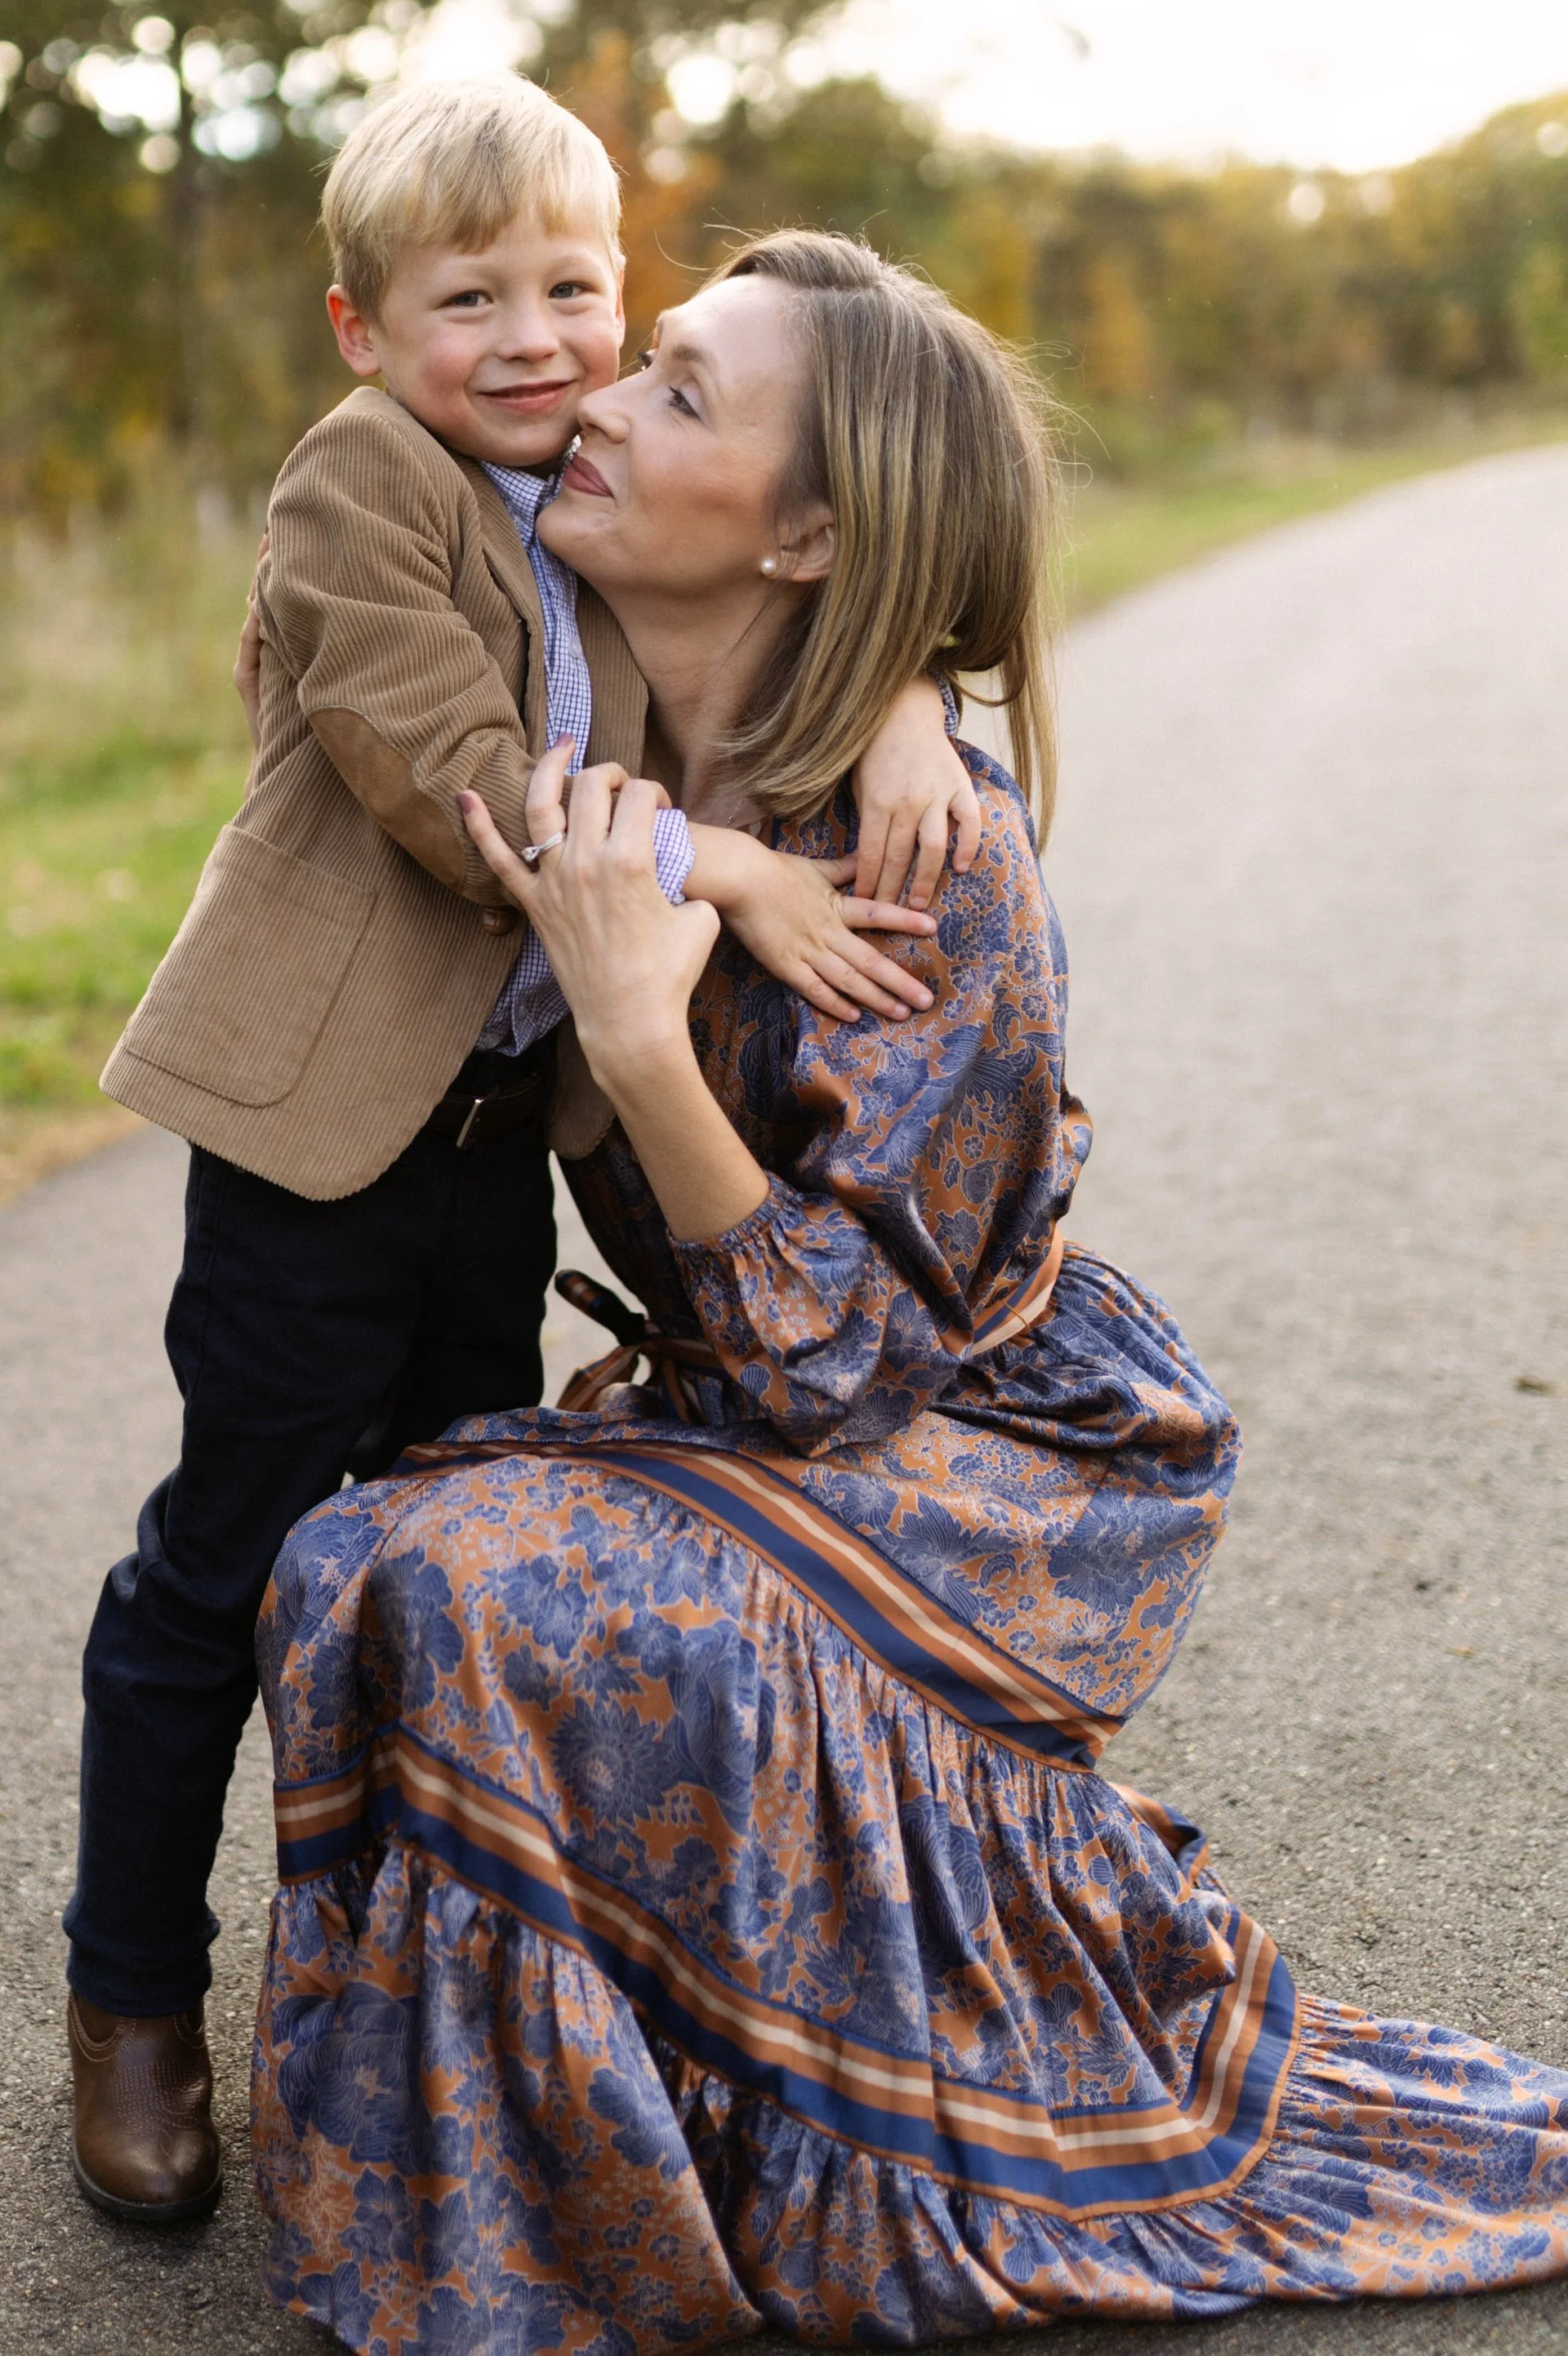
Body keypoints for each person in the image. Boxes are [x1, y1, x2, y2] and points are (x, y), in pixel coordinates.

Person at [252, 232, 1568, 2349]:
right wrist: (867, 692)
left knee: (468, 1579)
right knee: (349, 1561)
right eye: (643, 364)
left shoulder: (927, 867)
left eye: (676, 391)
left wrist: (638, 1038)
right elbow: (381, 587)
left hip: (980, 1448)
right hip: (782, 1385)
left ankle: (678, 2168)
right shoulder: (600, 696)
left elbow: (838, 1369)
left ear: (803, 532)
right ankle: (511, 2165)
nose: (591, 396)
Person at [64, 89, 982, 2223]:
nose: (531, 334)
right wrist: (730, 866)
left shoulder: (590, 481)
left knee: (450, 1563)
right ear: (362, 327)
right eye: (462, 297)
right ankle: (124, 1991)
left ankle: (395, 1976)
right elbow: (467, 790)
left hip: (500, 1135)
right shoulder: (358, 481)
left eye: (572, 287)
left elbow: (797, 560)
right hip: (318, 1137)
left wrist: (918, 697)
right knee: (235, 1551)